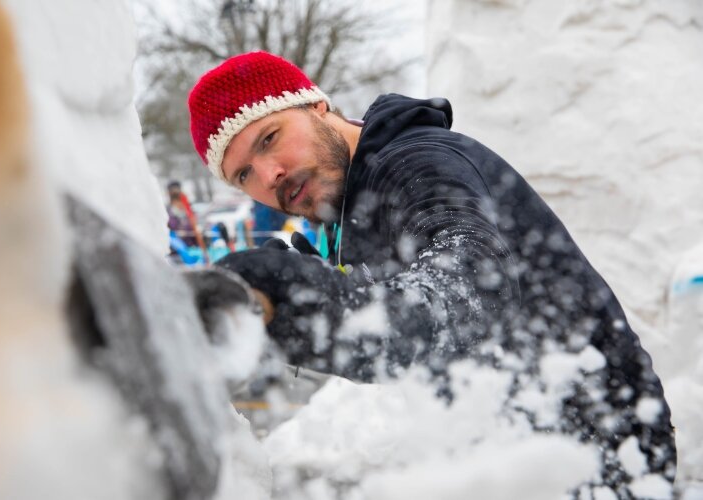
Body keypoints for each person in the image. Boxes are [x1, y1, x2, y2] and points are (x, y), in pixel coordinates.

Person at [187, 52, 675, 494]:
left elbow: (470, 290)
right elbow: (414, 339)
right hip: (527, 457)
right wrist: (330, 290)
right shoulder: (361, 201)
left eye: (270, 138)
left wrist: (304, 298)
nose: (268, 174)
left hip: (595, 458)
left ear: (316, 106)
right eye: (243, 174)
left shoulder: (414, 163)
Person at [166, 180, 207, 255]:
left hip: (192, 245)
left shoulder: (188, 207)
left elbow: (196, 224)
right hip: (177, 249)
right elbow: (169, 227)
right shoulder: (168, 211)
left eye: (176, 189)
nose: (175, 191)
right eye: (172, 190)